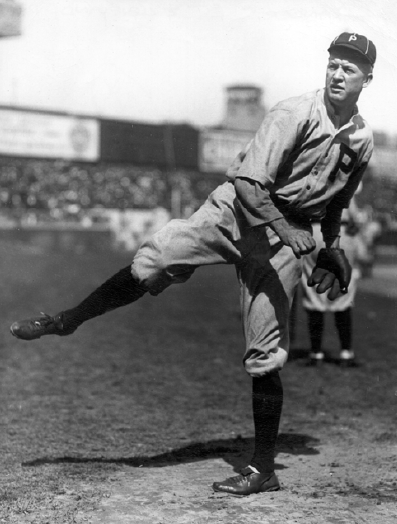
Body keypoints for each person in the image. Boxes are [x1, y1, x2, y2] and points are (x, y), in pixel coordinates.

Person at [10, 32, 376, 496]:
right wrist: (289, 232)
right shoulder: (294, 112)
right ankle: (67, 320)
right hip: (237, 213)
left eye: (349, 67)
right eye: (333, 63)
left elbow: (338, 202)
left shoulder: (362, 139)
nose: (338, 73)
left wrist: (334, 244)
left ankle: (263, 468)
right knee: (153, 260)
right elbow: (248, 184)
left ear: (368, 78)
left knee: (266, 352)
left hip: (286, 240)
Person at [301, 191, 363, 367]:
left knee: (314, 294)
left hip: (314, 232)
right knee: (343, 293)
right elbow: (357, 220)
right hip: (340, 232)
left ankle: (316, 353)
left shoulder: (312, 180)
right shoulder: (344, 181)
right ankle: (345, 353)